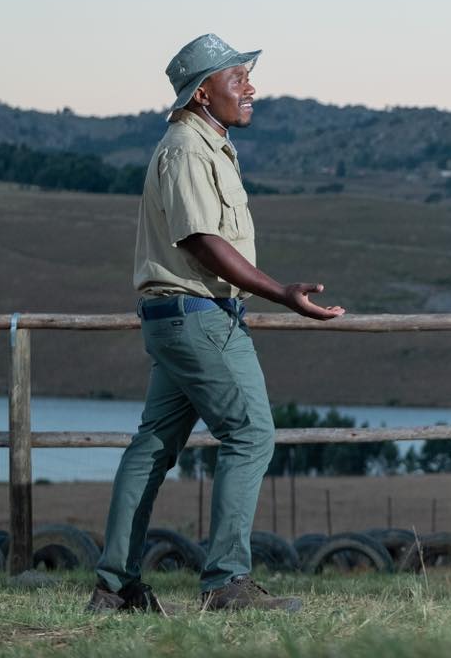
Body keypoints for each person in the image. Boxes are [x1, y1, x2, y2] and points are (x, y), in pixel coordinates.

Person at [86, 34, 345, 615]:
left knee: (153, 446)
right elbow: (203, 240)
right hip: (198, 316)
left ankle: (115, 588)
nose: (251, 88)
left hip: (179, 317)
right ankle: (226, 583)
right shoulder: (187, 150)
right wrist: (282, 293)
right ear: (202, 93)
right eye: (237, 78)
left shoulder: (207, 146)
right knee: (251, 434)